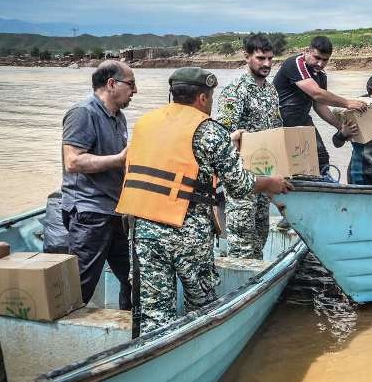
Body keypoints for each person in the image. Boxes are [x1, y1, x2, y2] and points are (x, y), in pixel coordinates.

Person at [115, 67, 292, 336]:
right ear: (202, 98)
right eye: (210, 96)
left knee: (154, 313)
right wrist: (271, 183)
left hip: (142, 230)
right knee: (200, 306)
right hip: (186, 230)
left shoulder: (144, 123)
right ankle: (198, 350)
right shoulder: (209, 131)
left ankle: (154, 353)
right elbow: (241, 185)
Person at [61, 60, 134, 310]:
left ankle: (131, 330)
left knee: (135, 278)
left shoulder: (119, 117)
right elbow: (73, 161)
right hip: (89, 213)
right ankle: (67, 340)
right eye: (131, 84)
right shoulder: (83, 113)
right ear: (111, 84)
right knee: (81, 285)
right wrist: (119, 159)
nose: (135, 91)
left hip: (117, 212)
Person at [216, 33, 282, 259]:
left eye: (270, 59)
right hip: (242, 177)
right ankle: (241, 286)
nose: (266, 64)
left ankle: (259, 277)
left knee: (261, 232)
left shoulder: (271, 91)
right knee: (242, 238)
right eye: (261, 58)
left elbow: (276, 130)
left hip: (265, 173)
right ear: (247, 57)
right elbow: (222, 136)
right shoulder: (235, 90)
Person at [272, 35, 367, 177]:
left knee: (321, 158)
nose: (321, 64)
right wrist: (347, 103)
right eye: (317, 58)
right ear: (307, 51)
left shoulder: (321, 75)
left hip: (302, 119)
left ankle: (323, 187)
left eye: (325, 60)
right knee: (286, 164)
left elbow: (319, 105)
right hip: (279, 121)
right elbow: (317, 93)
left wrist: (339, 127)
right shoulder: (296, 63)